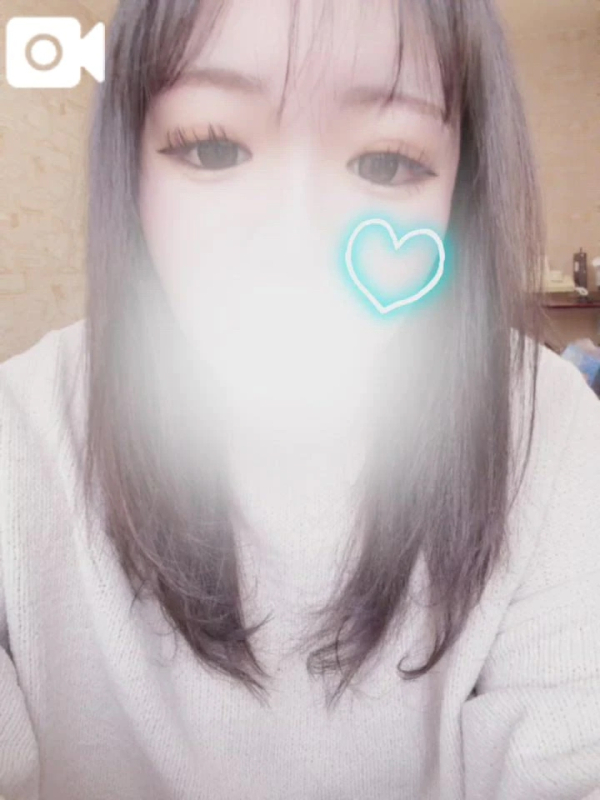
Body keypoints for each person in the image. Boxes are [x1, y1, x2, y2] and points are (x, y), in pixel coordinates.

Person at [1, 0, 599, 798]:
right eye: (212, 147)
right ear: (129, 171)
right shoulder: (20, 438)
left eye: (386, 163)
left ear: (462, 190)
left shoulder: (546, 427)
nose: (294, 241)